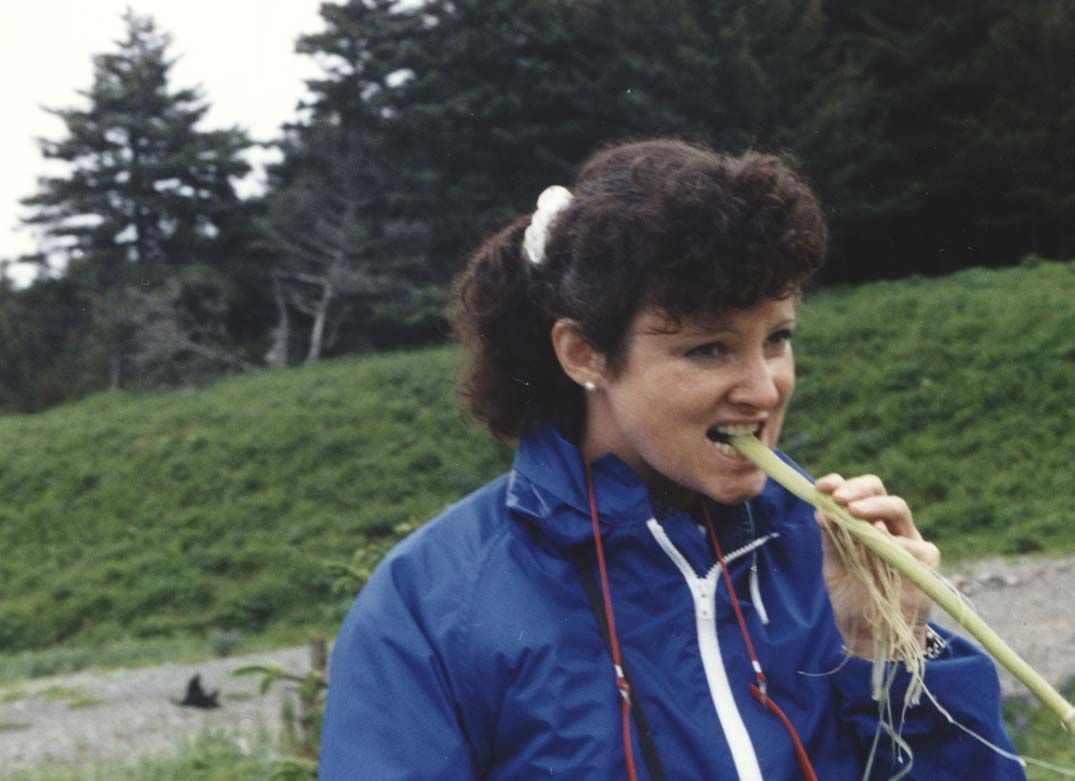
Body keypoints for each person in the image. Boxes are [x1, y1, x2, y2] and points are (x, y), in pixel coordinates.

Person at [318, 139, 1024, 779]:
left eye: (776, 339)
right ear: (584, 353)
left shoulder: (821, 551)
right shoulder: (431, 607)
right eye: (708, 349)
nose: (762, 387)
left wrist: (891, 650)